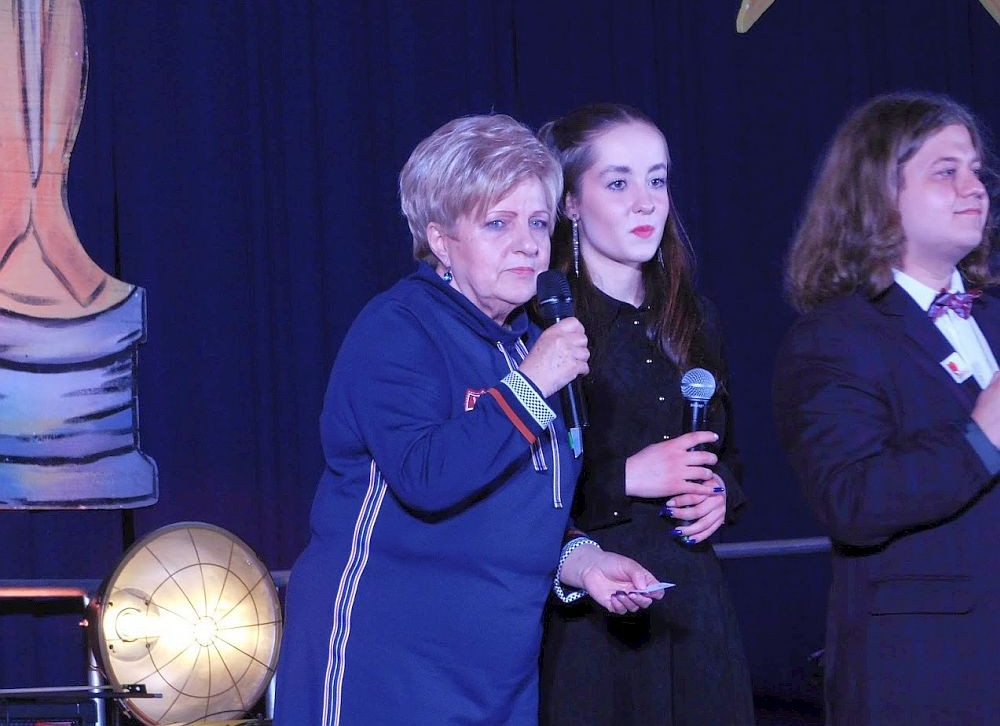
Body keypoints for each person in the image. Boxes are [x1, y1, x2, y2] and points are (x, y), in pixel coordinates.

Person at [272, 113, 665, 725]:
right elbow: (427, 476)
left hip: (499, 678)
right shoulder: (400, 327)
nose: (528, 243)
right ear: (440, 239)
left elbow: (520, 501)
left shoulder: (532, 342)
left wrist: (583, 561)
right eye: (498, 223)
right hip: (386, 667)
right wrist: (532, 384)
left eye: (538, 222)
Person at [773, 92, 1000, 725]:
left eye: (976, 170)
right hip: (931, 676)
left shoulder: (994, 316)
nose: (974, 187)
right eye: (945, 171)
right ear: (879, 192)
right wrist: (981, 439)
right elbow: (852, 501)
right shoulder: (835, 338)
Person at [537, 103, 754, 725]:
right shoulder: (543, 324)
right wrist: (626, 477)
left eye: (657, 180)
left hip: (694, 611)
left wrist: (720, 492)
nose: (645, 202)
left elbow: (730, 456)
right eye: (618, 182)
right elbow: (517, 489)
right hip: (591, 620)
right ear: (571, 203)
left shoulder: (694, 318)